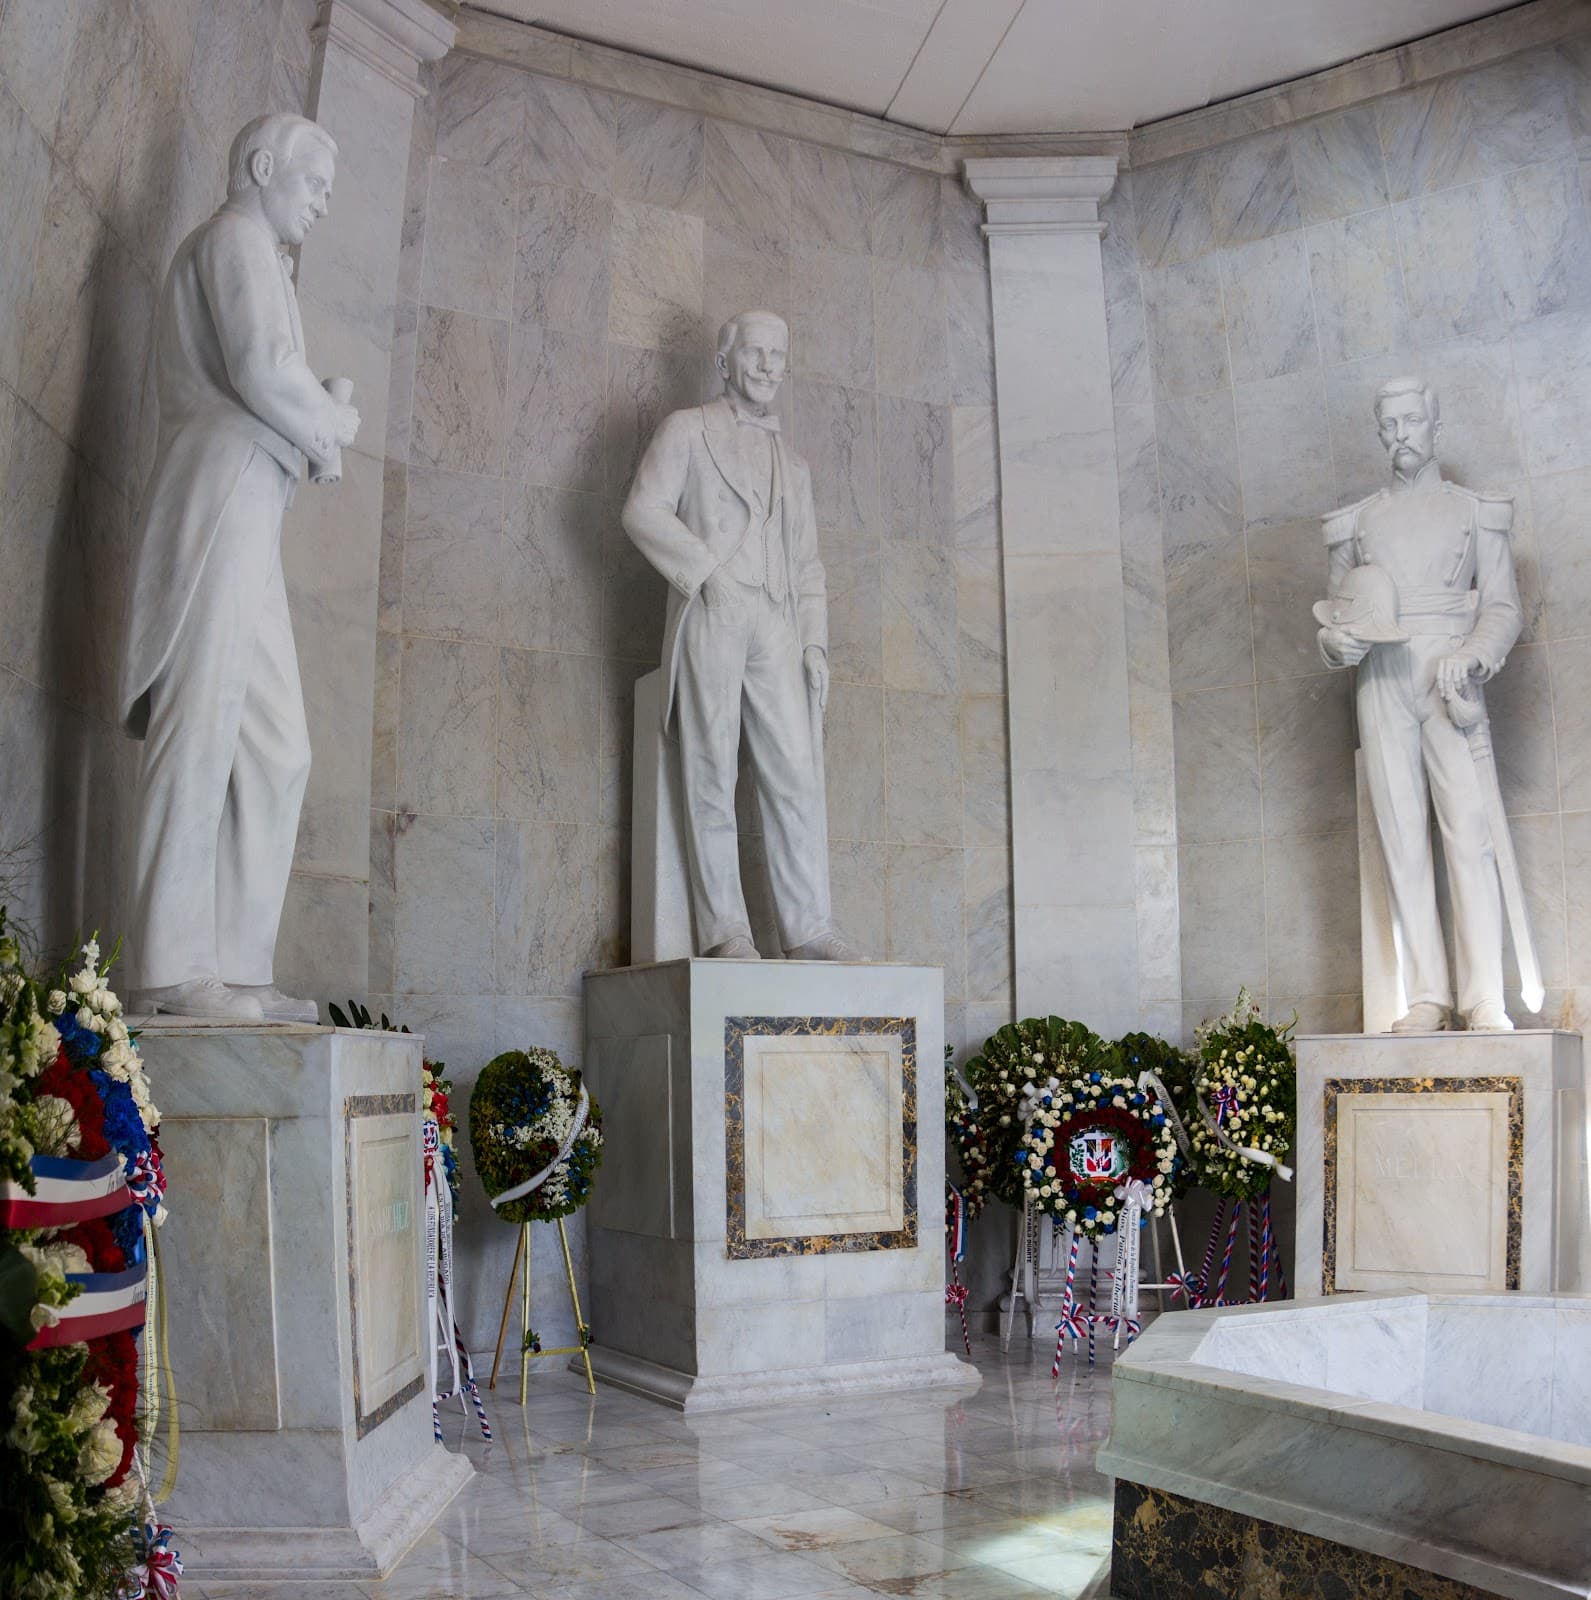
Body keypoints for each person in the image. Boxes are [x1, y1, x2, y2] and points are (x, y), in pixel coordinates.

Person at [118, 113, 360, 1021]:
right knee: (204, 722)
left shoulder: (259, 249)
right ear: (262, 168)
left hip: (252, 499)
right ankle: (171, 968)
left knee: (276, 744)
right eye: (314, 186)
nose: (323, 205)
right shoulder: (235, 237)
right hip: (217, 493)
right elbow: (262, 367)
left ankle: (239, 965)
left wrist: (314, 430)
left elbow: (270, 374)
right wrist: (329, 424)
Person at [621, 311, 859, 960]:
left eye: (777, 355)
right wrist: (704, 574)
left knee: (796, 773)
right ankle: (725, 929)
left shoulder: (794, 463)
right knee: (710, 767)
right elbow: (642, 509)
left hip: (778, 619)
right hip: (714, 609)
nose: (766, 365)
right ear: (724, 361)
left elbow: (809, 560)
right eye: (754, 352)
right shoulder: (687, 430)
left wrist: (814, 641)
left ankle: (808, 926)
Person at [1316, 377, 1524, 1032]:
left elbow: (1501, 607)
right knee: (1399, 836)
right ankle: (1428, 995)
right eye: (1388, 425)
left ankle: (1482, 996)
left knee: (1469, 833)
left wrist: (1474, 654)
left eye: (1409, 421)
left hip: (1447, 670)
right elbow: (1337, 610)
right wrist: (1333, 644)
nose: (1399, 435)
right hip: (1379, 674)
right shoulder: (1357, 522)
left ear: (1434, 426)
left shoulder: (1472, 511)